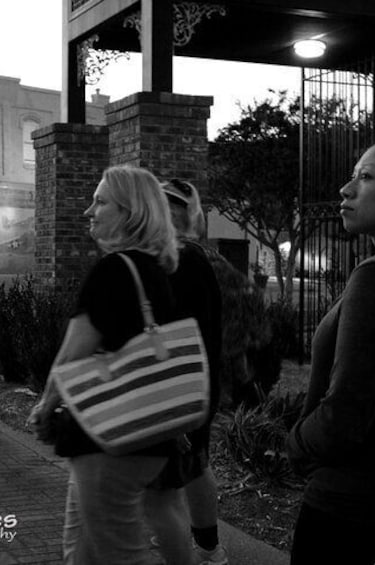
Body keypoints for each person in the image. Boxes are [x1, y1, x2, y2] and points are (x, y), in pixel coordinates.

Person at [28, 165, 193, 565]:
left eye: (100, 201)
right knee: (83, 550)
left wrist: (45, 406)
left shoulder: (114, 270)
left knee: (117, 554)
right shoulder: (153, 271)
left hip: (107, 436)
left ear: (130, 212)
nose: (88, 211)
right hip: (148, 433)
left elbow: (73, 354)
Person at [286, 135, 375, 565]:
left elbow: (344, 416)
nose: (345, 189)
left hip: (350, 508)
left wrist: (294, 444)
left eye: (366, 177)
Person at [145, 179, 226, 565]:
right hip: (184, 381)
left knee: (191, 466)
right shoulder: (170, 256)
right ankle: (185, 538)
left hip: (186, 383)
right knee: (183, 466)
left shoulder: (184, 258)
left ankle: (206, 548)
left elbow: (186, 329)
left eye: (169, 205)